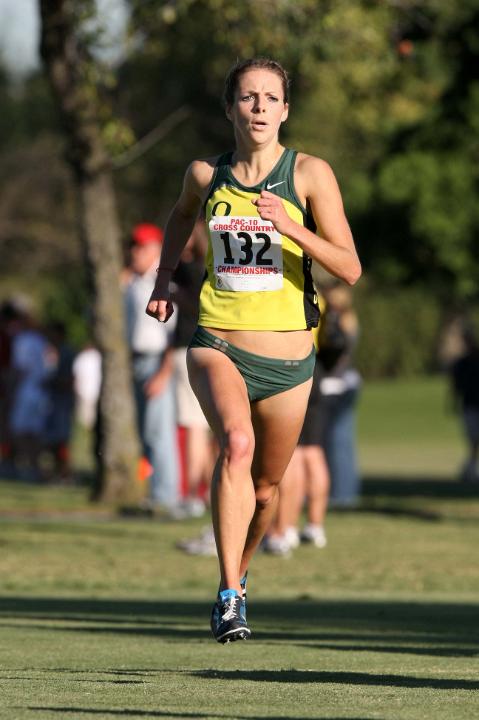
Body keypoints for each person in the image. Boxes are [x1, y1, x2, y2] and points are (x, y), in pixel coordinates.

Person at [146, 57, 361, 643]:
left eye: (271, 97)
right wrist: (164, 279)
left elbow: (349, 266)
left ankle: (238, 583)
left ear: (285, 110)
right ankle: (226, 591)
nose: (260, 106)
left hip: (290, 361)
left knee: (265, 491)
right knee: (235, 445)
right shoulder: (203, 174)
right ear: (230, 108)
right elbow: (179, 216)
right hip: (217, 342)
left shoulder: (310, 174)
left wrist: (290, 227)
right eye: (248, 97)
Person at [124, 222, 181, 514]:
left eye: (141, 247)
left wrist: (163, 371)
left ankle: (166, 496)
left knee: (160, 431)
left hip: (157, 359)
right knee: (146, 432)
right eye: (133, 246)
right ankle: (153, 491)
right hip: (135, 360)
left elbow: (173, 333)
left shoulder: (164, 284)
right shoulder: (133, 281)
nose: (135, 252)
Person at [450, 327, 479, 483]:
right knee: (473, 440)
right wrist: (453, 403)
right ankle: (471, 469)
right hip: (469, 405)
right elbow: (455, 387)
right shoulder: (461, 363)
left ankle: (470, 469)